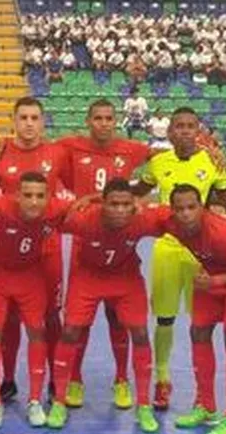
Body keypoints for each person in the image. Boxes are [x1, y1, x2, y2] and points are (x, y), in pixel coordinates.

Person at [132, 107, 226, 411]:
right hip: (168, 249)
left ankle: (203, 396)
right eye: (179, 126)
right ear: (169, 132)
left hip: (204, 255)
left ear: (198, 131)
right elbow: (137, 191)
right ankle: (162, 380)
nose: (185, 131)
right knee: (164, 318)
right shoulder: (158, 163)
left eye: (190, 126)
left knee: (203, 325)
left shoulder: (212, 162)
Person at [55, 98, 153, 409]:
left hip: (121, 239)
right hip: (86, 240)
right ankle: (74, 379)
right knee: (77, 322)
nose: (104, 123)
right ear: (88, 120)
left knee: (118, 317)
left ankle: (122, 380)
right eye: (97, 117)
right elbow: (40, 157)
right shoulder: (70, 145)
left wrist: (208, 148)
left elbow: (163, 162)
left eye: (109, 117)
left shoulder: (131, 149)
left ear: (117, 121)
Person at [49, 179, 169, 433]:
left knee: (139, 332)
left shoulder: (143, 219)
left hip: (125, 277)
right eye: (113, 204)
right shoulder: (82, 219)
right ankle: (59, 400)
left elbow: (179, 216)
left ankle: (144, 405)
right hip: (88, 276)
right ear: (103, 204)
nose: (120, 210)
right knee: (71, 331)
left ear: (134, 205)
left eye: (126, 204)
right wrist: (85, 199)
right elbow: (49, 212)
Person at [0, 172, 78, 428]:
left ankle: (34, 400)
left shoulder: (58, 208)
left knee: (37, 330)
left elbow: (87, 205)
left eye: (40, 196)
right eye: (28, 196)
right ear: (17, 196)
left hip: (30, 275)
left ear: (49, 198)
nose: (34, 202)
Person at [165, 184, 226, 434]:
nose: (185, 214)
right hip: (211, 279)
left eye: (191, 207)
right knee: (198, 332)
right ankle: (206, 406)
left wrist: (216, 283)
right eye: (179, 209)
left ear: (202, 208)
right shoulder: (171, 223)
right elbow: (137, 213)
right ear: (172, 210)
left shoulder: (222, 232)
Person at [0, 97, 69, 403]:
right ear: (13, 120)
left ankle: (54, 378)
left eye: (35, 117)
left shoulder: (59, 153)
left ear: (43, 121)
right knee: (9, 317)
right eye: (22, 117)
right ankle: (9, 379)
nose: (28, 123)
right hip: (8, 250)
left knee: (51, 316)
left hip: (48, 250)